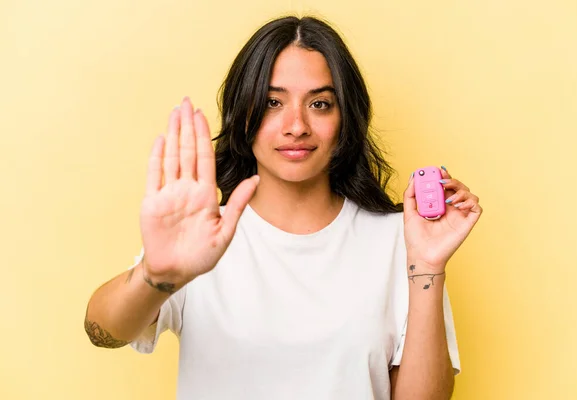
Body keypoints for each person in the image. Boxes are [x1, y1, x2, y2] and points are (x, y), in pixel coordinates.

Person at [84, 15, 482, 400]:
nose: (296, 125)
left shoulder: (400, 239)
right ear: (244, 116)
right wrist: (156, 275)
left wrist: (428, 266)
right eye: (273, 102)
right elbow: (102, 330)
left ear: (346, 119)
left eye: (321, 104)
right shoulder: (200, 236)